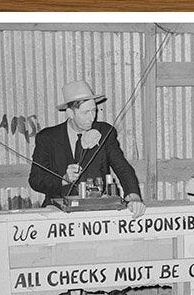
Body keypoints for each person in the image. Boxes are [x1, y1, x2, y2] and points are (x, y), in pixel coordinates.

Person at [28, 80, 145, 217]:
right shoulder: (47, 138)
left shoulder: (105, 132)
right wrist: (63, 180)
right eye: (85, 113)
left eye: (94, 111)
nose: (92, 118)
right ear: (70, 113)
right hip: (58, 212)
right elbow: (35, 180)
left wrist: (134, 196)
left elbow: (123, 168)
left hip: (98, 211)